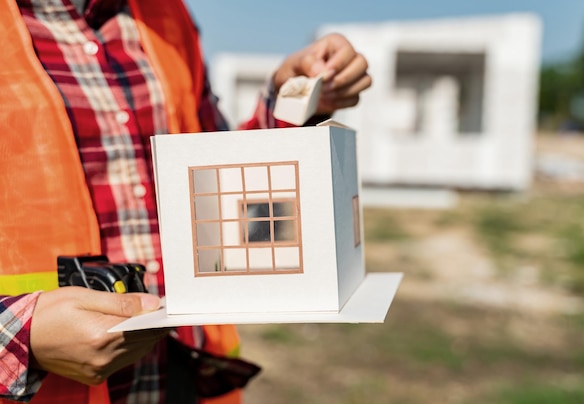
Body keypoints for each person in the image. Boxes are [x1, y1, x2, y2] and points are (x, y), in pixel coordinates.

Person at [0, 0, 371, 403]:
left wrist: (293, 100)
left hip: (178, 371)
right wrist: (18, 333)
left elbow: (214, 176)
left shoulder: (166, 16)